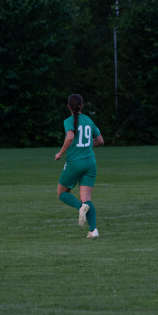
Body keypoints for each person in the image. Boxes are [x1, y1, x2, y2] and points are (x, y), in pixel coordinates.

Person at [55, 94, 104, 239]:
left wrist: (60, 153)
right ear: (82, 106)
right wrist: (86, 146)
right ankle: (93, 230)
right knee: (86, 198)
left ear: (68, 107)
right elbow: (100, 141)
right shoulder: (89, 120)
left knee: (62, 193)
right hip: (90, 163)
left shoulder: (69, 121)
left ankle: (80, 208)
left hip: (75, 163)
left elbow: (70, 137)